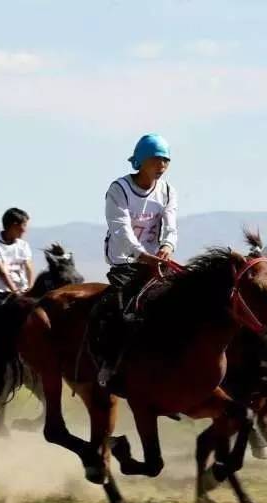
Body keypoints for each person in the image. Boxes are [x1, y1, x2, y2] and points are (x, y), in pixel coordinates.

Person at [97, 133, 178, 387]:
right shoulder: (118, 189)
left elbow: (170, 226)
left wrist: (167, 245)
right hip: (126, 262)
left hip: (157, 262)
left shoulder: (167, 191)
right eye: (156, 160)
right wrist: (143, 256)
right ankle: (109, 365)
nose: (162, 166)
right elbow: (120, 231)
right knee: (121, 312)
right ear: (141, 161)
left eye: (166, 161)